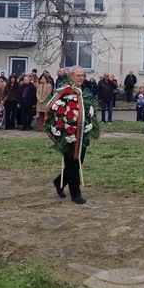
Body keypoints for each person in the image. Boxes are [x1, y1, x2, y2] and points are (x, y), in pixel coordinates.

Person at [51, 66, 92, 204]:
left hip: (82, 134)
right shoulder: (65, 91)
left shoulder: (85, 91)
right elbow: (56, 109)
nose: (81, 78)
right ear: (71, 77)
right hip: (68, 134)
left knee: (78, 161)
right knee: (72, 163)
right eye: (78, 75)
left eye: (83, 75)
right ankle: (76, 194)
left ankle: (59, 182)